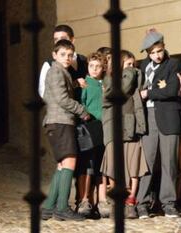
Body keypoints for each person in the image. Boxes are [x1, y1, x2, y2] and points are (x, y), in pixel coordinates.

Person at [136, 29, 181, 219]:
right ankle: (142, 202)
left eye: (159, 51)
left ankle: (169, 203)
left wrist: (149, 92)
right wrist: (156, 89)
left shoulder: (174, 64)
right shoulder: (143, 67)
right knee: (146, 162)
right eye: (152, 52)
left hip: (169, 118)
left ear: (164, 47)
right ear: (147, 53)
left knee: (169, 162)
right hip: (147, 117)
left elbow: (172, 89)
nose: (157, 55)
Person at [40, 39, 90, 221]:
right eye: (63, 54)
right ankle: (62, 208)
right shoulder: (55, 72)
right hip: (61, 122)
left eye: (70, 55)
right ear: (54, 55)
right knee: (69, 162)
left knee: (62, 165)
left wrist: (75, 84)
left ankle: (47, 208)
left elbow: (51, 94)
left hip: (57, 122)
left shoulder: (61, 72)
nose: (67, 58)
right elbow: (62, 99)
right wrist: (82, 111)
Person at [100, 50, 148, 219]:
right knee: (114, 167)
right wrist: (129, 73)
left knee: (132, 166)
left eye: (133, 65)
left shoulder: (135, 78)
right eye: (128, 64)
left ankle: (130, 202)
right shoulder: (109, 79)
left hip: (132, 126)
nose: (132, 68)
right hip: (114, 127)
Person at [74, 52, 107, 217]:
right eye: (91, 66)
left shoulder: (105, 84)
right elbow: (81, 104)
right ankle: (84, 199)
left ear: (103, 68)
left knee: (101, 167)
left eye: (98, 66)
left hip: (103, 129)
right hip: (88, 129)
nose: (94, 69)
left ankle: (100, 202)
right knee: (86, 166)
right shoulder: (85, 84)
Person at [38, 24, 88, 99]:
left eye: (63, 38)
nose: (59, 41)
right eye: (56, 39)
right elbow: (43, 92)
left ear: (72, 40)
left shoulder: (84, 60)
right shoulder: (49, 64)